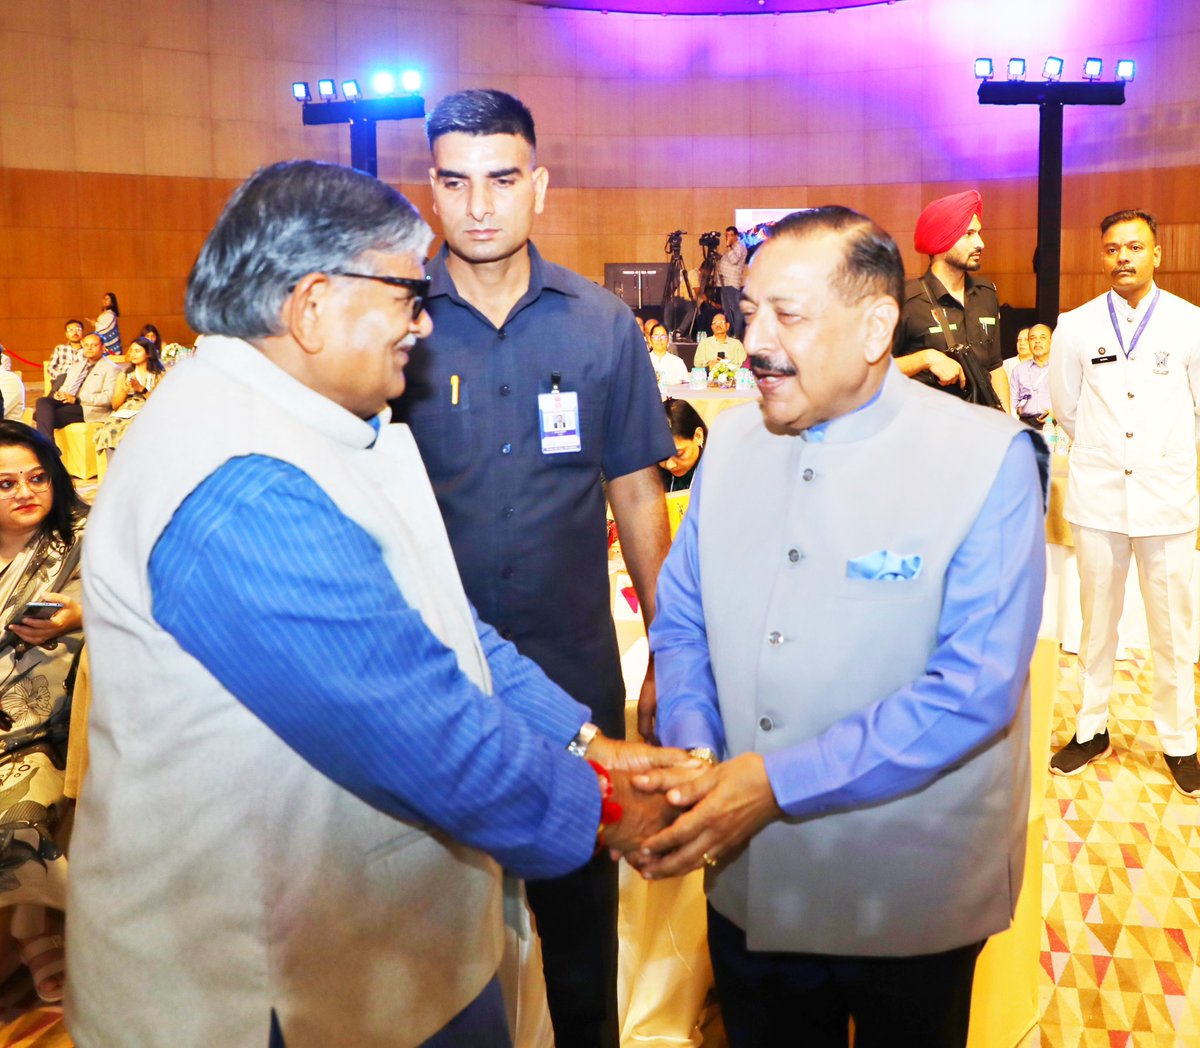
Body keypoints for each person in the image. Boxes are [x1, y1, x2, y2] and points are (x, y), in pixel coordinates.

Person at [68, 160, 686, 1048]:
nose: (424, 322)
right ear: (313, 305)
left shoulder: (319, 425)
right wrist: (618, 813)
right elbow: (424, 730)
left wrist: (587, 742)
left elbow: (439, 623)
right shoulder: (242, 487)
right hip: (274, 991)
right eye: (407, 292)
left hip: (377, 951)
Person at [638, 206, 1046, 1048]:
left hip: (910, 895)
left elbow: (974, 689)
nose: (753, 340)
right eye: (750, 309)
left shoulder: (987, 458)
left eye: (786, 315)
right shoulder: (735, 439)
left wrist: (771, 785)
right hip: (752, 884)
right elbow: (683, 618)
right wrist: (695, 755)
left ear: (874, 327)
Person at [393, 89, 674, 1048]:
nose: (479, 206)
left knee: (579, 933)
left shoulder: (601, 326)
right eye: (456, 181)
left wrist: (668, 652)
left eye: (502, 179)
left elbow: (638, 495)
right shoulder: (394, 328)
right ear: (429, 190)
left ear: (539, 187)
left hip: (572, 675)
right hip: (429, 673)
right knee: (430, 929)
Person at [1048, 208, 1200, 797]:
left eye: (1134, 247)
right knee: (1097, 625)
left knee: (1172, 627)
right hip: (1100, 498)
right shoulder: (1076, 325)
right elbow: (1067, 406)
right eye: (1112, 248)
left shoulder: (1190, 323)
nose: (1123, 258)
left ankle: (1180, 741)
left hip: (1166, 500)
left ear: (1156, 254)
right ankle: (1091, 728)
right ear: (1102, 255)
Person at [0, 422, 87, 1004]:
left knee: (18, 809)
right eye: (5, 483)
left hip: (50, 712)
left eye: (37, 477)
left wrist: (74, 615)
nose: (26, 491)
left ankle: (31, 924)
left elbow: (139, 593)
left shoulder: (84, 537)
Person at [896, 191, 1006, 409]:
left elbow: (995, 367)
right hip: (927, 433)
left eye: (979, 233)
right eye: (969, 234)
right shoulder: (906, 300)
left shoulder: (986, 294)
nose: (981, 243)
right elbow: (870, 371)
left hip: (979, 429)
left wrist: (1008, 422)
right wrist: (926, 359)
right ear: (941, 241)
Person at [33, 333, 118, 441]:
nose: (89, 348)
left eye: (94, 345)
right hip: (68, 402)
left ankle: (47, 446)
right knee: (42, 402)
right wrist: (60, 394)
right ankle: (49, 445)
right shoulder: (77, 365)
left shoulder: (112, 368)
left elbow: (108, 398)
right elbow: (66, 387)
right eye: (86, 345)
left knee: (42, 416)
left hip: (88, 408)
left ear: (103, 347)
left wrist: (77, 399)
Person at [93, 336, 164, 457]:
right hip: (127, 410)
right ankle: (114, 471)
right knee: (110, 428)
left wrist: (141, 389)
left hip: (147, 410)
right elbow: (115, 405)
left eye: (137, 351)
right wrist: (124, 391)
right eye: (131, 350)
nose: (133, 354)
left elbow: (161, 403)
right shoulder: (124, 374)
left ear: (148, 354)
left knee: (133, 428)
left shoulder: (158, 375)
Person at [658, 398, 706, 492]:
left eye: (679, 454)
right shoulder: (650, 473)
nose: (670, 465)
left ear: (698, 436)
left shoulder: (719, 471)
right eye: (661, 457)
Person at [1011, 324, 1053, 425]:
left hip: (1054, 423)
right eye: (1032, 338)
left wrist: (1057, 413)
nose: (1037, 341)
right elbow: (1012, 403)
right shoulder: (1019, 370)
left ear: (1052, 341)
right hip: (1025, 423)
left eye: (1042, 337)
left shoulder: (1061, 367)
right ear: (1029, 343)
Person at [716, 226, 748, 339]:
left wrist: (728, 247)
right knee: (727, 310)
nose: (728, 238)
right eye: (726, 235)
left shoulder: (739, 246)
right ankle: (730, 332)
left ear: (736, 236)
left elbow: (734, 260)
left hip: (731, 283)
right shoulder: (733, 247)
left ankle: (736, 333)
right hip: (725, 283)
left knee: (735, 308)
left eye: (730, 235)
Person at [89, 292, 121, 357]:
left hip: (109, 342)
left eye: (107, 299)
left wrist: (95, 323)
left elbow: (104, 327)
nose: (104, 301)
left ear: (112, 302)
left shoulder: (110, 314)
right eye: (104, 299)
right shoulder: (105, 313)